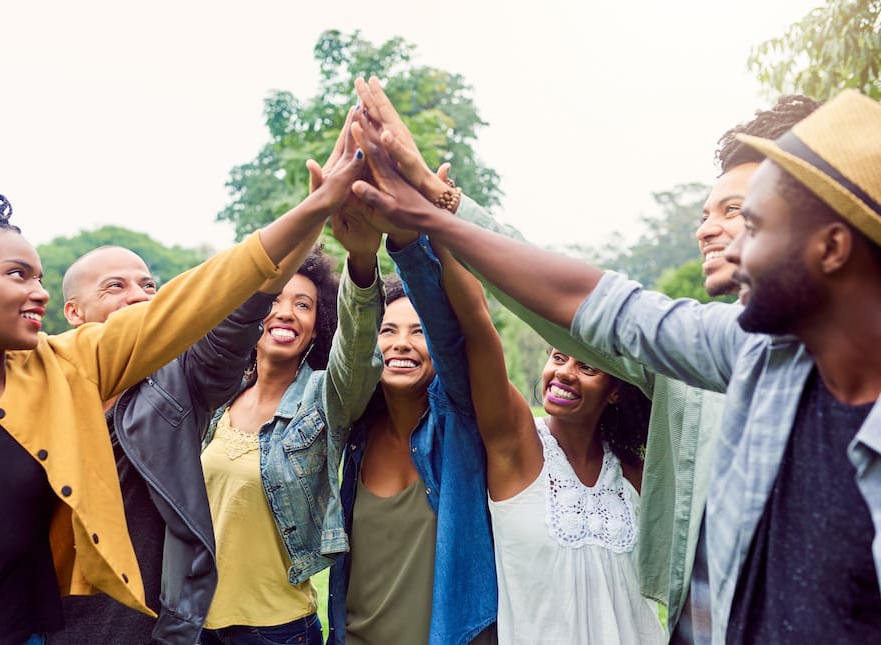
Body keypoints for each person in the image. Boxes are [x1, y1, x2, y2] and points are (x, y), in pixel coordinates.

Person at [352, 89, 881, 642]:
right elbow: (595, 304)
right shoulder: (745, 350)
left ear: (832, 246)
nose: (717, 236)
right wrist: (435, 204)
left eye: (754, 221)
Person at [0, 131, 364, 644]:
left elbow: (204, 297)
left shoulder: (71, 366)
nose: (38, 292)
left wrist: (316, 208)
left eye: (38, 277)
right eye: (17, 274)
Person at [51, 237, 316, 644]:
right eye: (115, 286)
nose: (138, 295)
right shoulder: (41, 393)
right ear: (74, 311)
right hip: (50, 621)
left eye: (148, 285)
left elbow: (239, 315)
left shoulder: (181, 383)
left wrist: (315, 213)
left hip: (146, 626)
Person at [425, 228, 658, 643]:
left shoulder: (635, 473)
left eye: (588, 367)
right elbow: (479, 327)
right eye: (558, 356)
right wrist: (442, 231)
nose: (564, 372)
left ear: (618, 389)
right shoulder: (516, 446)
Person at [198, 207, 384, 642]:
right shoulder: (220, 399)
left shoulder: (324, 396)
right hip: (196, 624)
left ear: (318, 328)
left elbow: (358, 350)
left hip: (275, 630)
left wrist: (360, 263)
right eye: (274, 300)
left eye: (302, 305)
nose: (286, 313)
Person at [327, 226, 497, 645]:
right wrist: (361, 260)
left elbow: (453, 335)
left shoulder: (458, 423)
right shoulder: (356, 434)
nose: (401, 344)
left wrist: (405, 237)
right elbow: (352, 341)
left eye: (418, 332)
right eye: (388, 331)